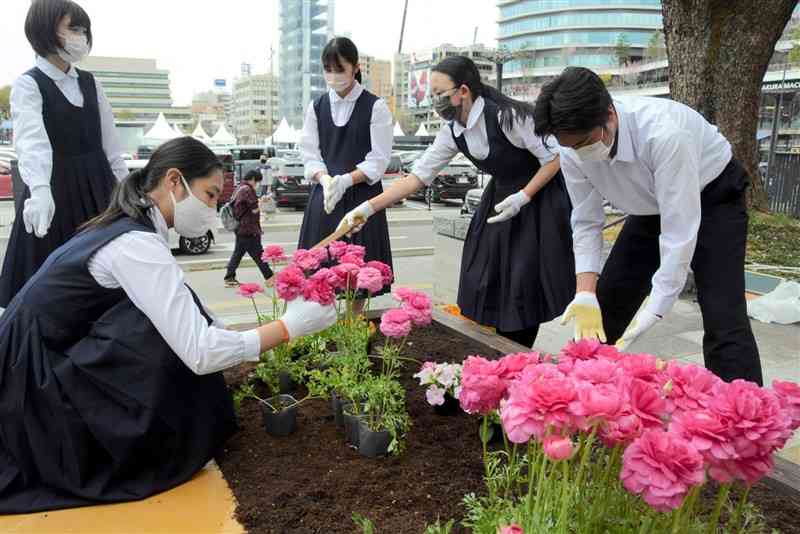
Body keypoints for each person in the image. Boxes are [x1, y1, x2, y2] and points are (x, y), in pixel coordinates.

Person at [0, 137, 336, 513]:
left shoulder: (129, 225)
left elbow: (186, 309)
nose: (213, 209)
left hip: (30, 358)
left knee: (175, 316)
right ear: (174, 182)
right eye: (209, 195)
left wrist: (230, 330)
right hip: (32, 385)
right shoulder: (136, 244)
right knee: (166, 343)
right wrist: (289, 326)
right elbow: (201, 352)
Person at [533, 66, 763, 385]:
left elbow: (678, 230)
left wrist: (657, 306)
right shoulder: (572, 149)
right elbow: (586, 220)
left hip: (713, 193)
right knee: (608, 302)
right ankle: (583, 391)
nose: (581, 153)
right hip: (648, 205)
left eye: (585, 142)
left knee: (722, 311)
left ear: (609, 114)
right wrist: (584, 292)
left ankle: (744, 413)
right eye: (571, 146)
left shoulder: (665, 134)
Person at [337, 56, 575, 348]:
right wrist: (367, 208)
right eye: (432, 94)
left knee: (523, 281)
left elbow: (554, 158)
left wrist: (524, 196)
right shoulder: (452, 131)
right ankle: (498, 344)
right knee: (482, 274)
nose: (435, 100)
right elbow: (417, 177)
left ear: (463, 91)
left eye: (440, 93)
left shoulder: (506, 116)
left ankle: (517, 350)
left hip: (538, 199)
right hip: (500, 197)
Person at [0, 0, 128, 307]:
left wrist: (127, 190)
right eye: (73, 28)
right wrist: (41, 190)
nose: (80, 36)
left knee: (107, 283)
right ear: (44, 30)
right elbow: (32, 143)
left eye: (84, 30)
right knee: (52, 287)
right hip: (56, 192)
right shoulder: (29, 84)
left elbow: (111, 146)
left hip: (100, 192)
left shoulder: (91, 82)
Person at [298, 37, 394, 295]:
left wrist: (346, 180)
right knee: (319, 276)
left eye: (339, 69)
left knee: (360, 279)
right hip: (325, 196)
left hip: (362, 195)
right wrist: (326, 179)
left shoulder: (376, 107)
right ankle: (324, 331)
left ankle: (354, 328)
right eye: (328, 69)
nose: (333, 75)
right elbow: (309, 152)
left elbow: (379, 158)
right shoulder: (316, 107)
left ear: (356, 67)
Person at [224, 169, 274, 287]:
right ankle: (270, 277)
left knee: (238, 253)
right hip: (248, 229)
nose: (257, 185)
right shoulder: (247, 189)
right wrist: (262, 202)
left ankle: (229, 277)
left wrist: (259, 201)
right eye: (257, 182)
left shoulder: (240, 188)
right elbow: (254, 209)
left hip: (241, 228)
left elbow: (246, 205)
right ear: (252, 179)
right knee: (258, 254)